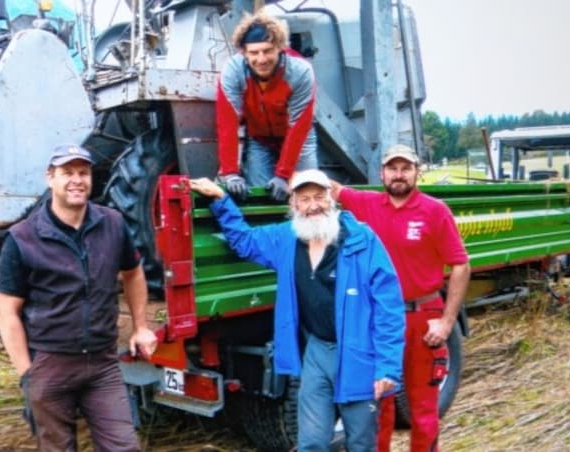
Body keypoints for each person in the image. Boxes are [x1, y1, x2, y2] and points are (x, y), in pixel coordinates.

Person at [189, 169, 405, 451]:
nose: (313, 205)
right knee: (311, 442)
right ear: (293, 205)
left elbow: (389, 308)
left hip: (359, 353)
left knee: (362, 442)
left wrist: (388, 367)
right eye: (304, 199)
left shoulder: (361, 240)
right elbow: (244, 241)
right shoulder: (286, 239)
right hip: (317, 352)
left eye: (319, 197)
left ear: (331, 199)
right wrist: (220, 198)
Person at [0, 144, 158, 452]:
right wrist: (27, 374)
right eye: (67, 173)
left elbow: (134, 271)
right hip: (50, 365)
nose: (77, 180)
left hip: (102, 364)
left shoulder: (112, 223)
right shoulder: (23, 237)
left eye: (83, 173)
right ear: (50, 178)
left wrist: (140, 326)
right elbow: (7, 312)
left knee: (124, 447)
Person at [330, 144, 471, 452]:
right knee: (380, 405)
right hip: (379, 320)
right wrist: (293, 177)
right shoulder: (367, 204)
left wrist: (447, 322)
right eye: (392, 168)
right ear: (382, 173)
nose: (398, 175)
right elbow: (334, 189)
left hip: (422, 318)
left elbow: (461, 263)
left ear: (417, 172)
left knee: (422, 409)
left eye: (405, 168)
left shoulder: (435, 211)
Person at [216, 11, 318, 202]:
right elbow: (227, 123)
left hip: (298, 138)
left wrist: (284, 175)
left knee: (308, 192)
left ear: (280, 48)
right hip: (259, 139)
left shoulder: (300, 71)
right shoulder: (232, 71)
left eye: (267, 50)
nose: (261, 59)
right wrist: (230, 173)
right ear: (243, 53)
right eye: (254, 52)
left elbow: (299, 126)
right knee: (260, 197)